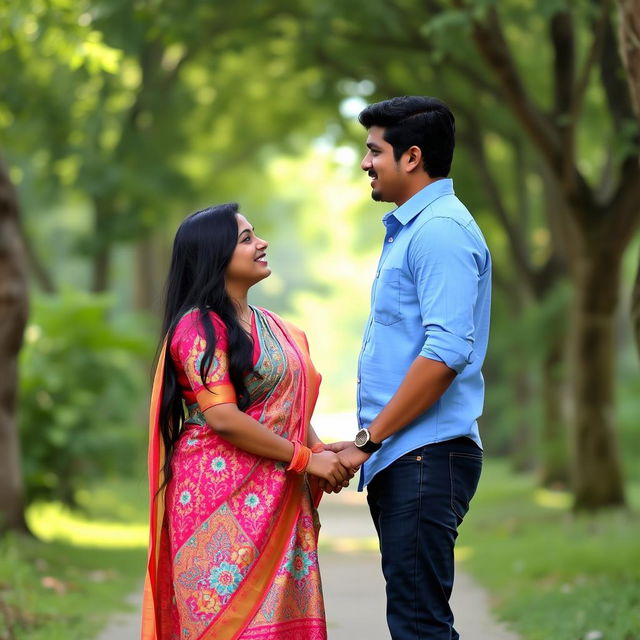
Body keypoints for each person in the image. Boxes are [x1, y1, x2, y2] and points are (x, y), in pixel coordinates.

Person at [141, 203, 350, 640]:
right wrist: (304, 460)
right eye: (247, 238)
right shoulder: (198, 326)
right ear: (215, 256)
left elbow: (288, 407)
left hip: (278, 500)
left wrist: (321, 448)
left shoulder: (275, 327)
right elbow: (223, 418)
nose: (262, 243)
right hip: (215, 505)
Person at [327, 96, 492, 639]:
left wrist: (368, 440)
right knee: (415, 619)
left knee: (419, 625)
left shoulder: (440, 231)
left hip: (425, 455)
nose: (365, 162)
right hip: (411, 456)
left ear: (412, 156)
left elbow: (444, 354)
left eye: (374, 150)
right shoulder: (415, 229)